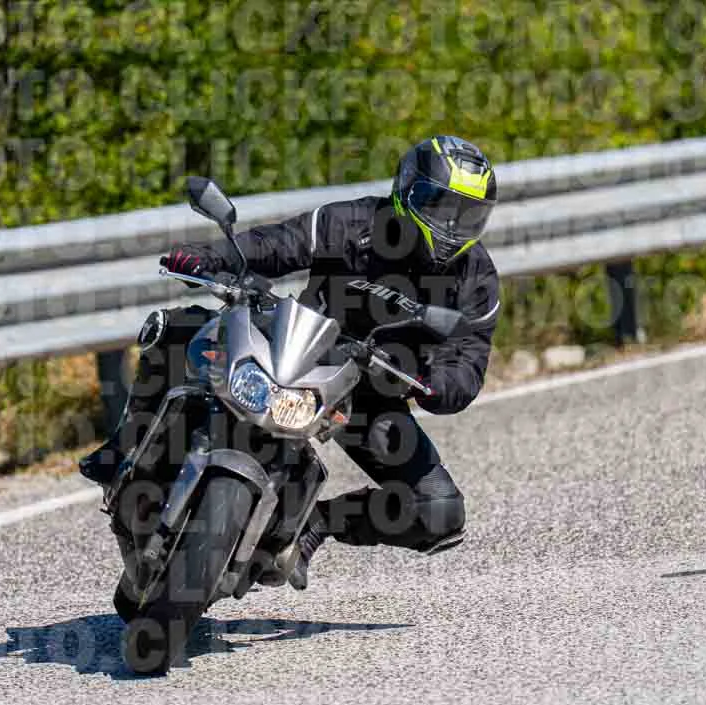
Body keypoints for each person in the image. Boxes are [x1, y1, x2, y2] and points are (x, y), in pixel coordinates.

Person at [80, 135, 500, 590]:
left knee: (440, 511)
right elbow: (277, 243)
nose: (451, 225)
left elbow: (469, 358)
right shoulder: (351, 222)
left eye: (467, 214)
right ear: (407, 190)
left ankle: (317, 523)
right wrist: (211, 258)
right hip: (297, 348)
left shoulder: (476, 278)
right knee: (178, 326)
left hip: (369, 391)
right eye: (441, 206)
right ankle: (122, 447)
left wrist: (433, 383)